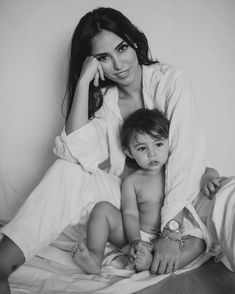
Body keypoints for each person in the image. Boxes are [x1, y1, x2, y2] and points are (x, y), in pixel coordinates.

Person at [0, 6, 234, 293]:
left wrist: (172, 232)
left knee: (232, 193)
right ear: (94, 63)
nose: (119, 64)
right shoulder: (107, 103)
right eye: (103, 58)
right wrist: (84, 82)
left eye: (122, 48)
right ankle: (3, 264)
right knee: (68, 170)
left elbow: (187, 157)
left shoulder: (171, 82)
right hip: (134, 203)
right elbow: (75, 153)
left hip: (189, 199)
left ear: (134, 41)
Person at [71, 108, 206, 274]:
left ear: (170, 141)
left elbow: (200, 171)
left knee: (199, 244)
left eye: (158, 144)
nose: (152, 153)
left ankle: (152, 263)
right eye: (142, 148)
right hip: (140, 237)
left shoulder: (176, 169)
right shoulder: (132, 181)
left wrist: (210, 177)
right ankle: (95, 256)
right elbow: (130, 214)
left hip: (173, 236)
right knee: (102, 209)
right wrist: (135, 241)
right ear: (129, 152)